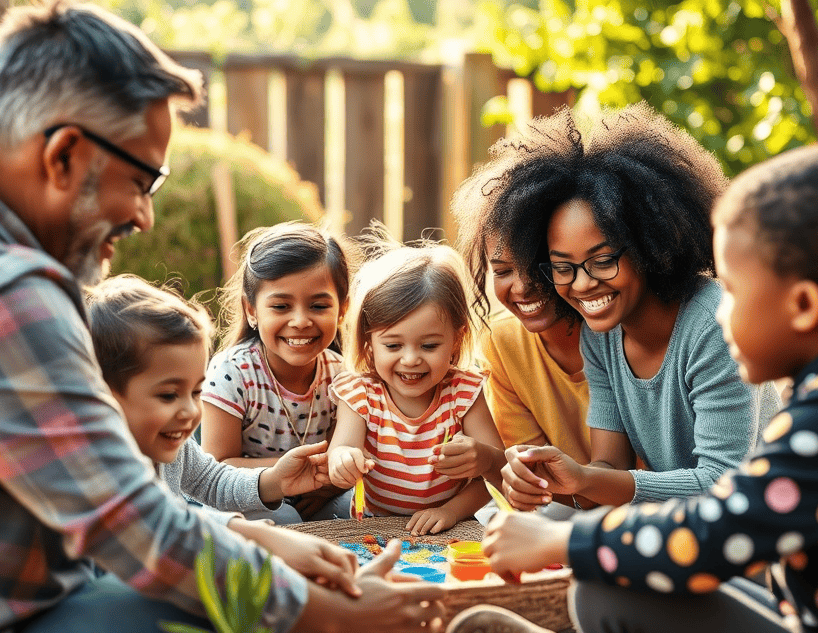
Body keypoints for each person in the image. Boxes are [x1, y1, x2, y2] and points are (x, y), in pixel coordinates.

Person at [0, 4, 444, 633]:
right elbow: (134, 532)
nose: (146, 216)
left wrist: (256, 534)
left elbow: (126, 514)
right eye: (141, 179)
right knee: (212, 604)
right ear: (62, 156)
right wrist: (339, 620)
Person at [445, 142, 818, 633]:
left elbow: (719, 523)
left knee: (612, 587)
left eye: (736, 293)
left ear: (803, 306)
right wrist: (574, 495)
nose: (723, 314)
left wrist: (563, 545)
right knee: (613, 568)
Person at [485, 104, 780, 510]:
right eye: (562, 267)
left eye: (603, 261)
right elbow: (611, 465)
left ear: (648, 246)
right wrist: (559, 480)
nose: (583, 283)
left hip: (759, 537)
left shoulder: (714, 325)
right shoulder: (600, 335)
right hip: (676, 531)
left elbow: (722, 482)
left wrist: (589, 479)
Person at [86, 273, 362, 592]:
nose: (190, 412)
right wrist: (256, 536)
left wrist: (275, 480)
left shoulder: (174, 444)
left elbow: (211, 480)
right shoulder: (94, 464)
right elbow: (154, 523)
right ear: (102, 396)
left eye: (195, 392)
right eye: (167, 395)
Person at [326, 228, 506, 535]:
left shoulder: (463, 393)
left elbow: (495, 474)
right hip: (375, 524)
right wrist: (344, 461)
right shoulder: (360, 393)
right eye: (393, 346)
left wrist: (451, 509)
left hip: (452, 523)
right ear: (369, 342)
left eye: (429, 345)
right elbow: (340, 449)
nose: (410, 359)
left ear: (456, 340)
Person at [451, 136, 590, 517]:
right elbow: (536, 484)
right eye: (502, 271)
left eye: (537, 266)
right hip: (566, 507)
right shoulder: (501, 342)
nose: (522, 285)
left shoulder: (610, 330)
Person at [201, 222, 353, 523]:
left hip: (316, 497)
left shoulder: (342, 376)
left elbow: (342, 452)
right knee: (285, 520)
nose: (300, 321)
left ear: (343, 310)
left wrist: (329, 481)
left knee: (357, 505)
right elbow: (215, 467)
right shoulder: (233, 372)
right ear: (252, 311)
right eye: (281, 306)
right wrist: (286, 472)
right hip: (246, 497)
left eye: (319, 306)